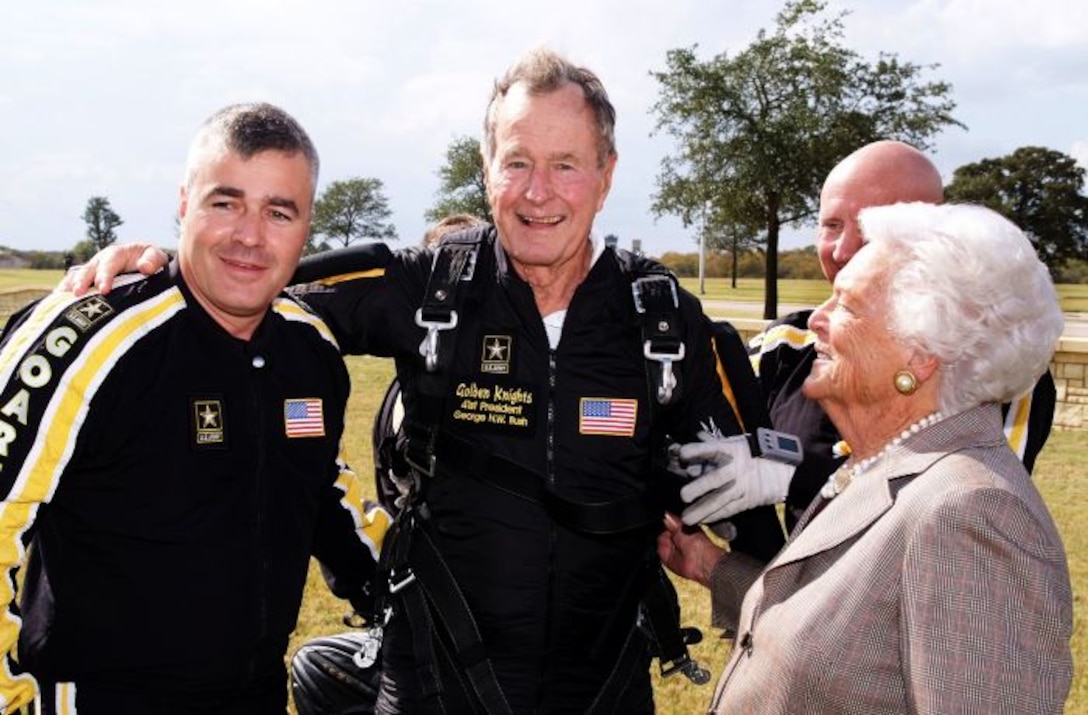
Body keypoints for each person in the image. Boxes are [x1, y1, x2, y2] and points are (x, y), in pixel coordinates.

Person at [66, 49, 768, 713]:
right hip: (431, 684)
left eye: (566, 165)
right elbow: (254, 280)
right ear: (486, 166)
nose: (537, 192)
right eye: (516, 161)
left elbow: (768, 526)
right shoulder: (433, 286)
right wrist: (157, 266)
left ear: (607, 174)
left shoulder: (666, 322)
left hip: (606, 692)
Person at [0, 103, 387, 713]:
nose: (250, 236)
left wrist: (404, 599)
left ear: (307, 225)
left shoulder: (309, 348)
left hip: (254, 695)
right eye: (225, 202)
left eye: (278, 212)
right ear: (184, 203)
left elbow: (320, 492)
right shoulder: (88, 336)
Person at [661, 201, 1073, 713]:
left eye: (847, 305)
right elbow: (849, 639)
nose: (817, 320)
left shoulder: (970, 514)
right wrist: (711, 567)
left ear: (921, 356)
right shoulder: (889, 465)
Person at [675, 140, 1057, 547]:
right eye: (832, 225)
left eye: (869, 229)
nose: (842, 251)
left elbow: (960, 509)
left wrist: (789, 470)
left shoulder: (993, 365)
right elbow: (700, 428)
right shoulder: (783, 346)